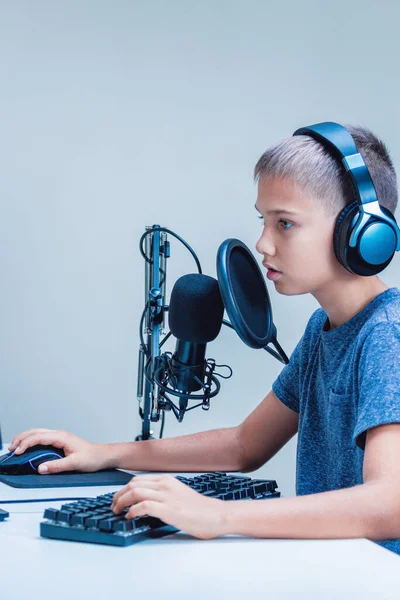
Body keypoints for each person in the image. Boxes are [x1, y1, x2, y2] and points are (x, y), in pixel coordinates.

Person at [9, 123, 400, 553]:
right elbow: (245, 445)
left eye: (285, 224)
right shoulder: (323, 330)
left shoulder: (386, 335)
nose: (263, 243)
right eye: (264, 220)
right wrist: (103, 453)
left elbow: (389, 504)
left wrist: (217, 516)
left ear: (363, 234)